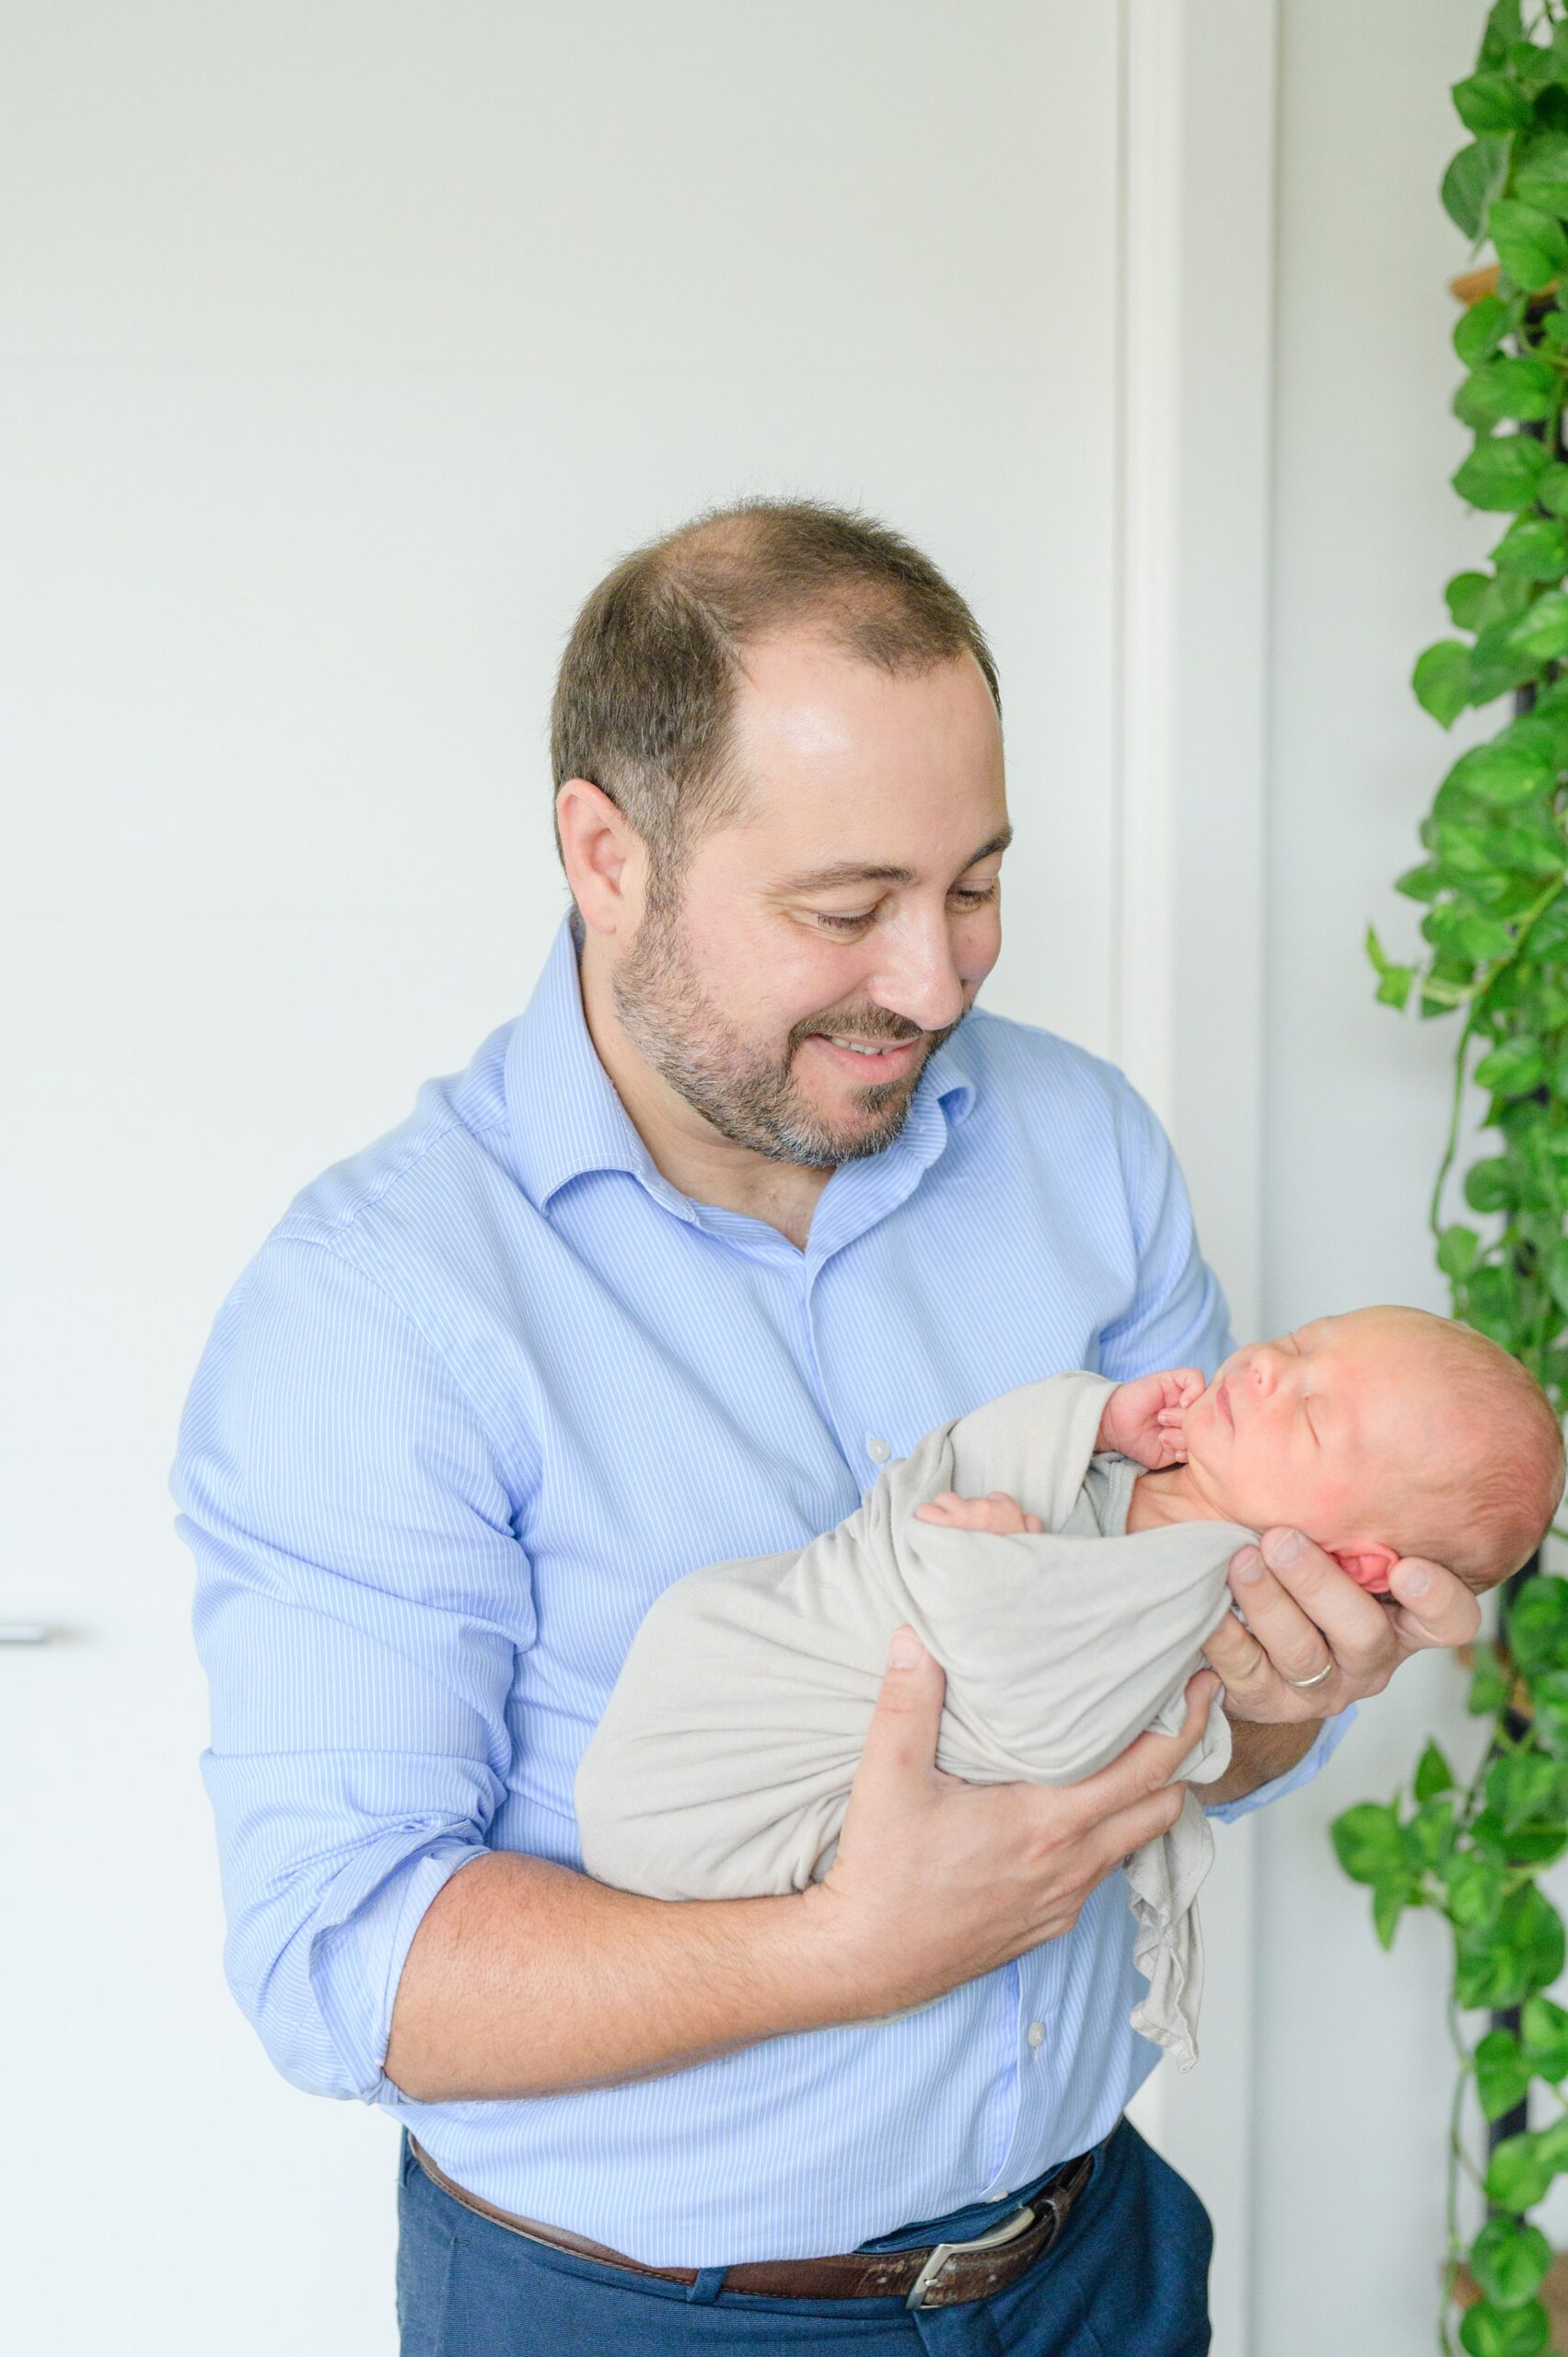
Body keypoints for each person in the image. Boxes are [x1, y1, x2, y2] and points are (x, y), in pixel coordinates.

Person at [172, 500, 1485, 2355]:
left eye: (972, 884)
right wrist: (841, 1945)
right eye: (845, 906)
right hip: (642, 2318)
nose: (938, 981)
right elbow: (339, 1960)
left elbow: (1192, 1716)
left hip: (1091, 2260)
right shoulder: (375, 1308)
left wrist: (1286, 1685)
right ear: (602, 852)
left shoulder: (1079, 1144)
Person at [575, 1308, 1564, 2073]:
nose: (1265, 1366)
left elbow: (1042, 1734)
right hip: (749, 1643)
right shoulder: (1142, 1458)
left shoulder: (1203, 1581)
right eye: (1300, 1343)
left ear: (1349, 1562)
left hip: (765, 1784)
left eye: (1307, 1415)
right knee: (712, 1624)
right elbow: (955, 1463)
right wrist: (1091, 1413)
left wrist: (1009, 1576)